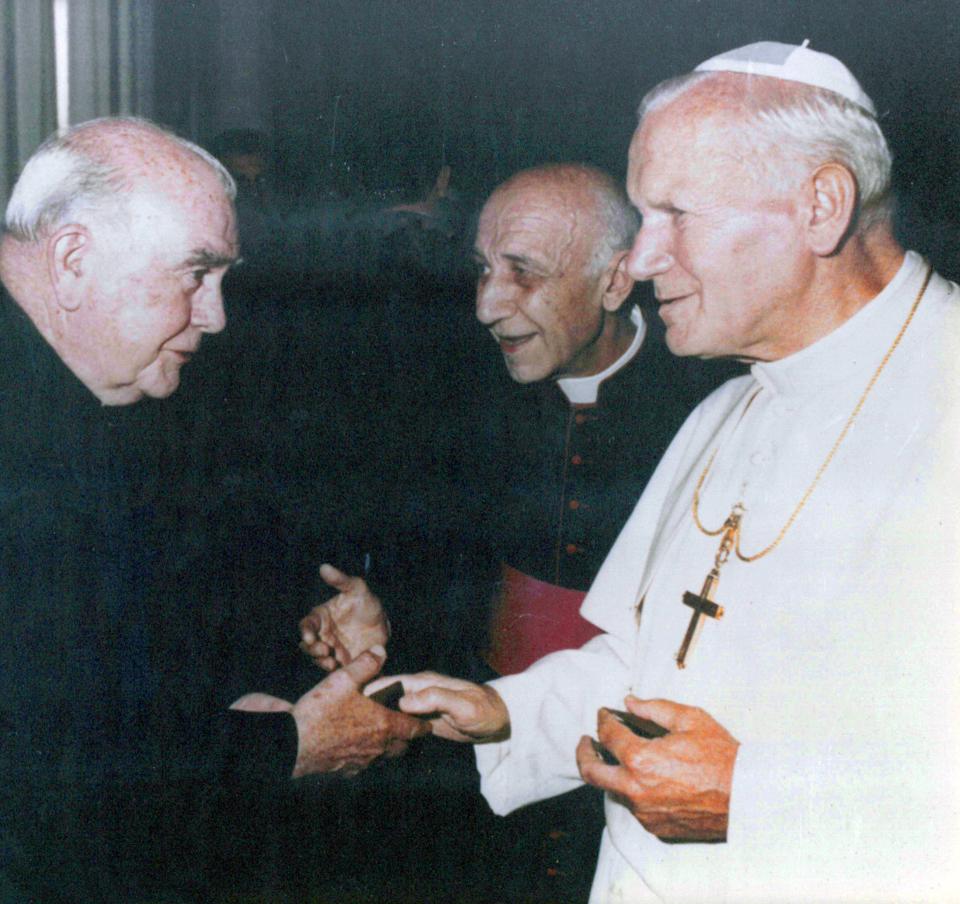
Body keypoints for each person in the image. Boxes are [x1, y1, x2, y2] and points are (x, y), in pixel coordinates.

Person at [368, 42, 960, 902]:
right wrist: (511, 712)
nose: (640, 261)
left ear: (820, 208)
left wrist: (753, 802)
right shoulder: (725, 412)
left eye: (676, 214)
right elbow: (656, 664)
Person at [0, 116, 425, 902]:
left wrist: (308, 633)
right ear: (73, 261)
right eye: (196, 275)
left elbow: (139, 636)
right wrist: (288, 745)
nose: (216, 316)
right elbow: (37, 783)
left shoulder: (105, 387)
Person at [301, 163, 734, 902]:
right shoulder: (454, 389)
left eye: (523, 274)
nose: (486, 306)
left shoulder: (712, 399)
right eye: (481, 270)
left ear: (615, 281)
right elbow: (437, 555)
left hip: (649, 767)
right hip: (485, 745)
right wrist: (382, 614)